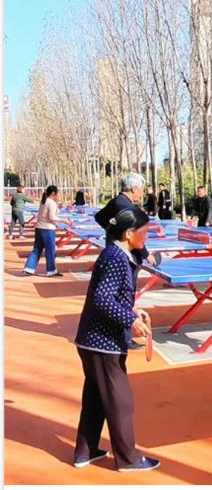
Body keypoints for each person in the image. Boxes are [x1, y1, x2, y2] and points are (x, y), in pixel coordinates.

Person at [72, 208, 160, 471]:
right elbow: (101, 298)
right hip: (102, 343)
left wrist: (132, 311)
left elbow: (112, 296)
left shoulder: (118, 254)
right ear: (128, 234)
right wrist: (129, 320)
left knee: (96, 398)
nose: (147, 237)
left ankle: (85, 452)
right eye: (144, 232)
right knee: (122, 402)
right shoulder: (116, 258)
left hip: (93, 341)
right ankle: (129, 459)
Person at [94, 173, 154, 267]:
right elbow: (136, 234)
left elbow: (99, 217)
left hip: (114, 250)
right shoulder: (128, 208)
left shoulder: (116, 201)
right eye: (142, 190)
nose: (142, 193)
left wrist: (111, 229)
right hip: (126, 255)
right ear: (134, 189)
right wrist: (146, 255)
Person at [23, 185, 74, 276]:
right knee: (50, 250)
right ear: (53, 193)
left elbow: (45, 214)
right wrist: (65, 221)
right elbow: (52, 217)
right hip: (47, 230)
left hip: (39, 228)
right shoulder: (51, 203)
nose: (59, 195)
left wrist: (58, 207)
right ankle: (51, 270)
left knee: (37, 249)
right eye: (58, 193)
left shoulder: (44, 201)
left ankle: (29, 268)